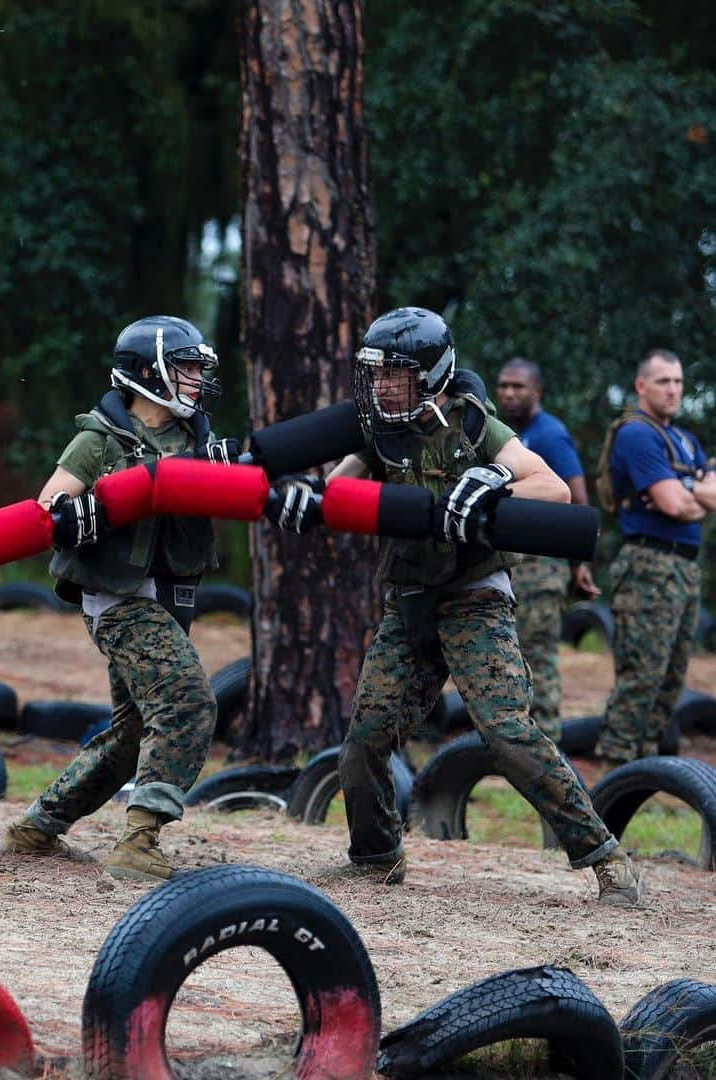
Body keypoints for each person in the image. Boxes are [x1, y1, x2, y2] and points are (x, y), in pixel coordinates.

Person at [270, 307, 641, 905]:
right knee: (365, 738)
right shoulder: (377, 428)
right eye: (376, 374)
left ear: (433, 372)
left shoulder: (473, 423)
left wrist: (495, 477)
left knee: (508, 734)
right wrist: (303, 499)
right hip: (408, 604)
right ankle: (375, 858)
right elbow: (338, 490)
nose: (381, 386)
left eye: (395, 374)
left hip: (475, 601)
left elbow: (552, 487)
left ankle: (607, 859)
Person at [4, 315, 240, 883]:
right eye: (185, 368)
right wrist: (76, 517)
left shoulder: (198, 441)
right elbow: (48, 508)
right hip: (118, 601)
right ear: (147, 374)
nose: (195, 380)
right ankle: (140, 839)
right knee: (186, 703)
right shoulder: (100, 439)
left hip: (171, 598)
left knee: (135, 728)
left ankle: (41, 824)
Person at [595, 349, 716, 764]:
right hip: (649, 565)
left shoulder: (686, 440)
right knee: (640, 680)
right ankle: (612, 778)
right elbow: (676, 506)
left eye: (679, 381)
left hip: (684, 567)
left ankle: (641, 778)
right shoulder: (636, 434)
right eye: (664, 381)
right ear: (641, 386)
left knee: (669, 683)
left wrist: (690, 489)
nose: (674, 390)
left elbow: (708, 498)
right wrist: (692, 487)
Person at [495, 357, 599, 742]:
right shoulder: (500, 434)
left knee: (537, 661)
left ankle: (549, 745)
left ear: (536, 391)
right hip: (510, 563)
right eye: (503, 385)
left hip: (542, 569)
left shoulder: (551, 434)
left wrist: (578, 563)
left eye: (518, 387)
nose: (508, 393)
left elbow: (578, 498)